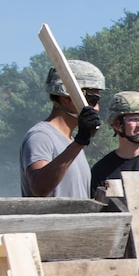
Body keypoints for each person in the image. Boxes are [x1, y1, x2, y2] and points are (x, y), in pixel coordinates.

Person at [20, 60, 105, 197]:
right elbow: (39, 187)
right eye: (92, 100)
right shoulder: (41, 136)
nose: (96, 108)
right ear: (66, 97)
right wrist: (80, 142)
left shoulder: (72, 142)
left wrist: (78, 142)